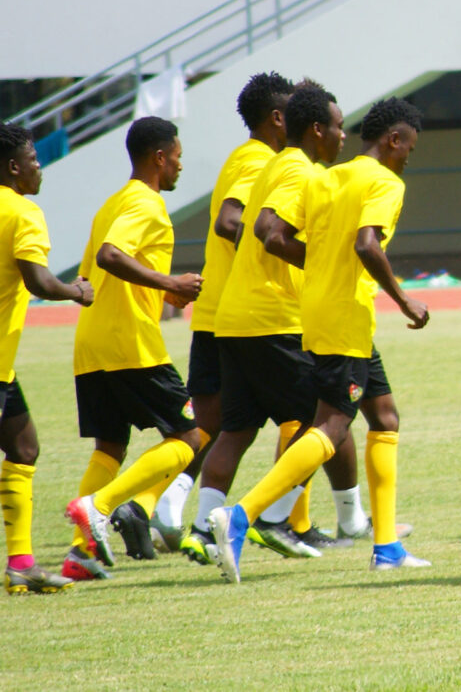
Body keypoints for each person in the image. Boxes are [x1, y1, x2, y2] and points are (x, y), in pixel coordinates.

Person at [210, 97, 432, 582]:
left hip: (317, 310)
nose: (409, 157)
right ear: (393, 140)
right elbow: (366, 244)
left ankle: (387, 545)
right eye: (409, 148)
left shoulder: (328, 177)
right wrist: (404, 299)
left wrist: (324, 268)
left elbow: (272, 233)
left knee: (385, 415)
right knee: (331, 425)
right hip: (345, 315)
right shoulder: (386, 182)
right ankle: (243, 515)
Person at [196, 82, 359, 564]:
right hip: (273, 317)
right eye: (338, 126)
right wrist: (323, 264)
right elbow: (269, 232)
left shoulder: (273, 164)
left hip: (234, 316)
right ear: (316, 129)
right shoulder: (297, 170)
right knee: (328, 422)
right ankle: (272, 517)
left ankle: (206, 531)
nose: (342, 136)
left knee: (237, 430)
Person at [139, 72, 295, 558]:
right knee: (305, 414)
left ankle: (163, 506)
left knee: (215, 427)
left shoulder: (245, 156)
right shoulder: (258, 160)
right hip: (240, 312)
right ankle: (276, 519)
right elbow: (231, 220)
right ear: (277, 118)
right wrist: (274, 243)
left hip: (220, 313)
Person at [62, 117, 204, 580]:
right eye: (178, 156)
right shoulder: (147, 204)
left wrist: (164, 293)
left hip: (93, 342)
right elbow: (109, 257)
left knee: (111, 446)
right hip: (130, 343)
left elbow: (109, 265)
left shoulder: (114, 202)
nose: (181, 165)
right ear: (159, 157)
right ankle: (99, 507)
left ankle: (80, 553)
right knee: (188, 440)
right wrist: (171, 280)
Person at [0, 123, 93, 593]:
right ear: (14, 167)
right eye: (34, 160)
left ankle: (21, 564)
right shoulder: (23, 211)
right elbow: (38, 282)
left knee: (23, 448)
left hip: (5, 369)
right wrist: (76, 291)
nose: (40, 167)